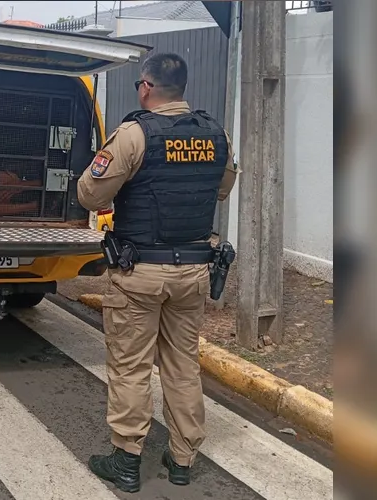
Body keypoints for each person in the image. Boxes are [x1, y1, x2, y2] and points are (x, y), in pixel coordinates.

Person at [77, 53, 238, 493]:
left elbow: (91, 194)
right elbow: (222, 188)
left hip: (141, 273)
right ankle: (182, 459)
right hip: (193, 274)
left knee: (130, 367)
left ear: (146, 87)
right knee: (183, 365)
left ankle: (127, 461)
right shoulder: (216, 134)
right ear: (181, 88)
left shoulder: (133, 135)